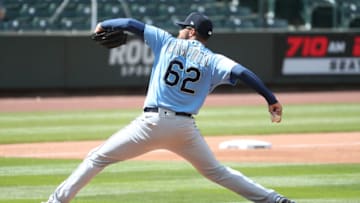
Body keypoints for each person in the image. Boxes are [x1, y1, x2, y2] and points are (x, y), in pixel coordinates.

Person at [43, 12, 295, 203]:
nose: (180, 30)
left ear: (192, 31)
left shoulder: (165, 41)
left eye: (184, 27)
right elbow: (242, 72)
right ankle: (275, 200)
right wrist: (270, 98)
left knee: (97, 157)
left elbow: (130, 24)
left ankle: (56, 201)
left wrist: (104, 25)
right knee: (218, 173)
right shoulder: (215, 60)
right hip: (185, 129)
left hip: (151, 124)